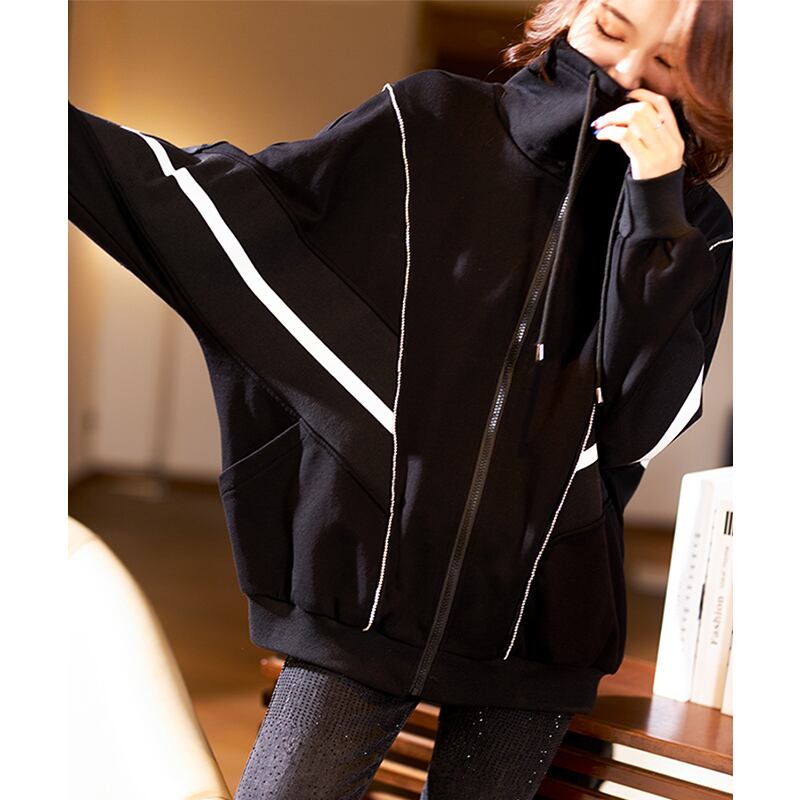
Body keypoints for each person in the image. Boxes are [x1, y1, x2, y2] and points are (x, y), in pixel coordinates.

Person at [67, 0, 732, 796]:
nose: (625, 75)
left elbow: (640, 427)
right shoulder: (432, 123)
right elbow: (247, 216)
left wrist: (655, 218)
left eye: (666, 67)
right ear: (573, 9)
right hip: (365, 596)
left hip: (539, 623)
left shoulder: (697, 230)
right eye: (614, 33)